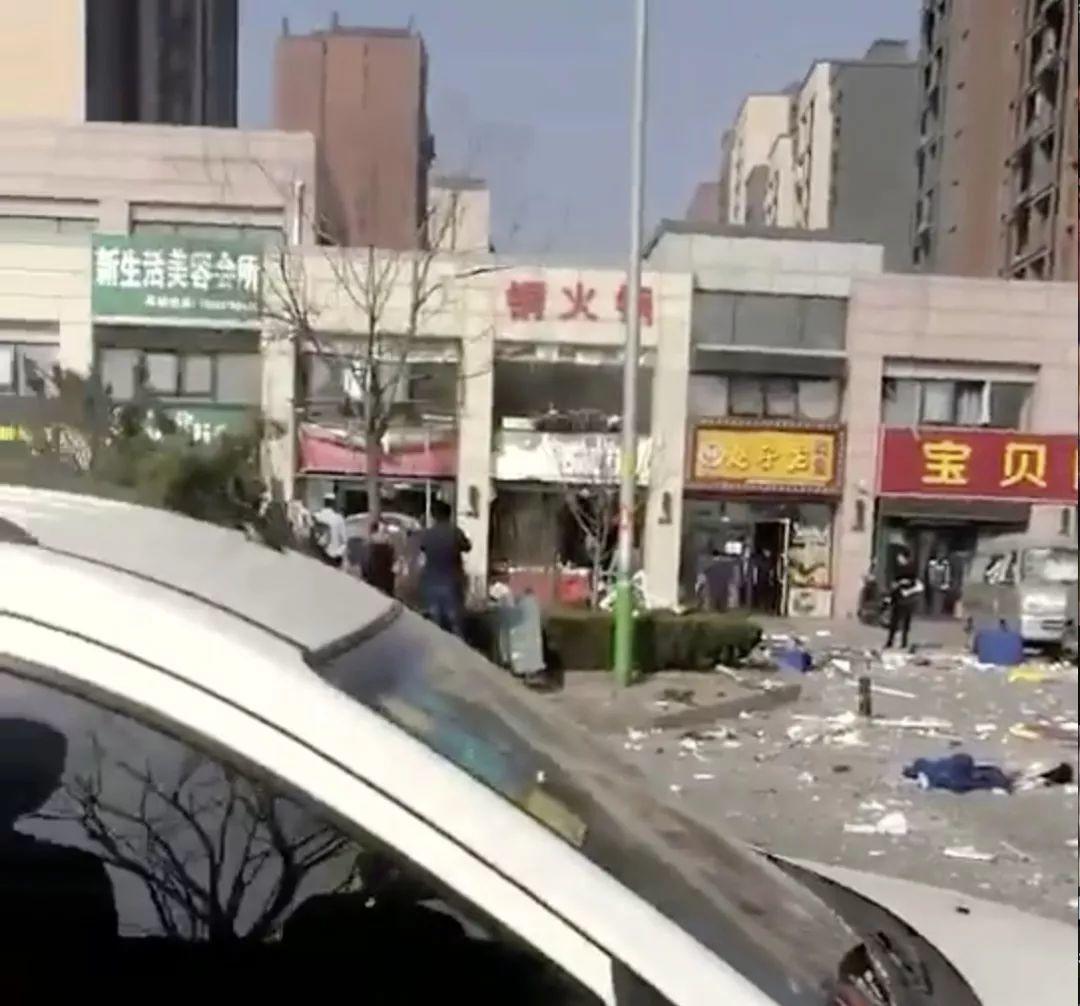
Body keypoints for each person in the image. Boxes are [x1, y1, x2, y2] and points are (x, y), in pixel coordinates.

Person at [418, 500, 471, 637]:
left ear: (433, 516)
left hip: (431, 581)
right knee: (456, 622)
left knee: (436, 623)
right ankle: (458, 647)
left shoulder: (428, 534)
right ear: (449, 514)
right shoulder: (455, 532)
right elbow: (467, 547)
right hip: (452, 581)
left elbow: (422, 549)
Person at [885, 549, 922, 649]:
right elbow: (894, 582)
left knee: (906, 621)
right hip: (897, 598)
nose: (898, 559)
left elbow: (913, 582)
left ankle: (904, 642)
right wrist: (891, 595)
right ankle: (890, 641)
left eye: (900, 557)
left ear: (905, 558)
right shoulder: (897, 568)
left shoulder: (911, 569)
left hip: (907, 598)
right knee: (894, 621)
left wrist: (902, 583)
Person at [312, 493, 347, 569]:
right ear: (333, 503)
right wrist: (338, 553)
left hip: (319, 557)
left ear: (324, 502)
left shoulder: (316, 516)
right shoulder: (338, 518)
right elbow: (344, 541)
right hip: (334, 558)